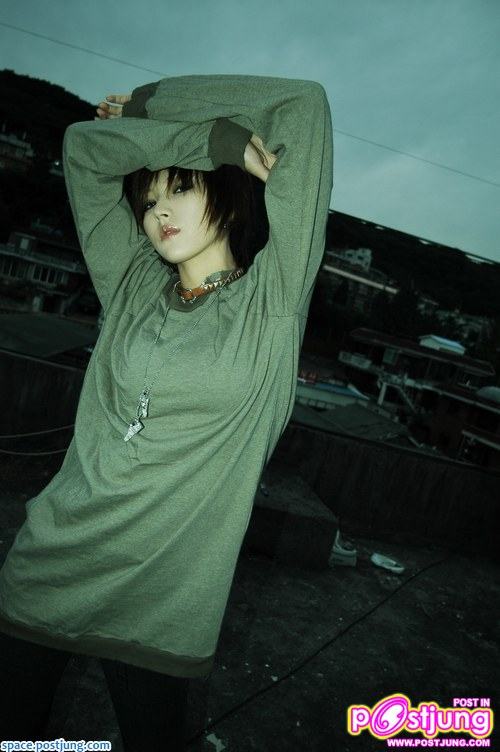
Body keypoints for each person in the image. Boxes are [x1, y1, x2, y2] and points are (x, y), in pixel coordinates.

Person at [0, 73, 333, 749]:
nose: (159, 212)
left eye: (180, 187)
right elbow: (84, 147)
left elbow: (304, 107)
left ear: (228, 190)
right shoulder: (130, 282)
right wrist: (207, 140)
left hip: (166, 597)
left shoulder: (272, 304)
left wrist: (152, 103)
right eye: (149, 199)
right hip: (52, 562)